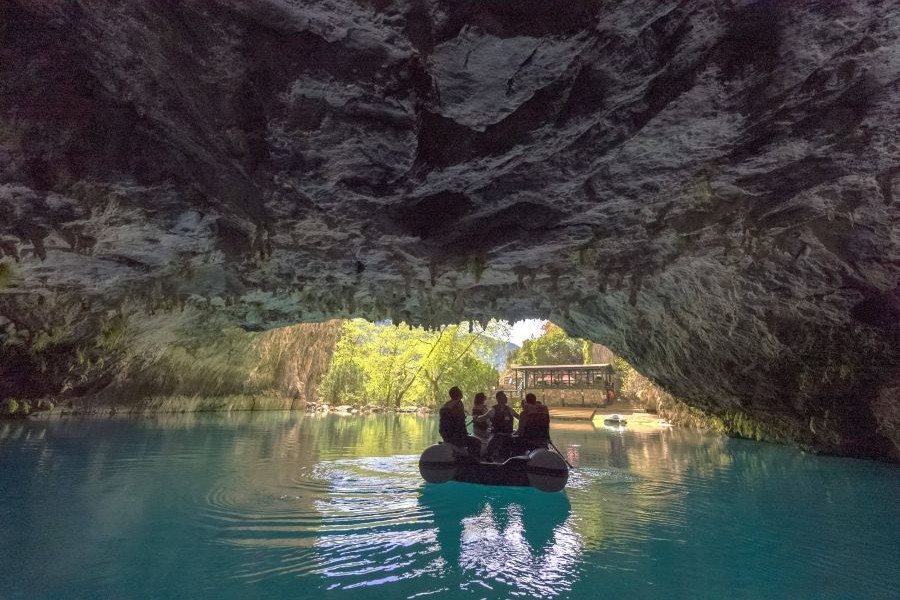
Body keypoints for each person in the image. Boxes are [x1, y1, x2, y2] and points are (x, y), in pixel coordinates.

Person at [438, 386, 482, 457]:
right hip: (455, 437)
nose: (461, 392)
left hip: (448, 436)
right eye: (460, 391)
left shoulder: (447, 404)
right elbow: (459, 420)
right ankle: (473, 461)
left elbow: (457, 420)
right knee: (477, 442)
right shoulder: (456, 405)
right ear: (457, 394)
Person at [478, 391, 520, 461]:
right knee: (491, 445)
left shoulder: (504, 409)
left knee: (489, 446)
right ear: (499, 398)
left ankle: (490, 459)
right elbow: (519, 418)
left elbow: (482, 418)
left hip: (501, 435)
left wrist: (477, 418)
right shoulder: (504, 409)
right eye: (504, 396)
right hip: (503, 435)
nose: (506, 398)